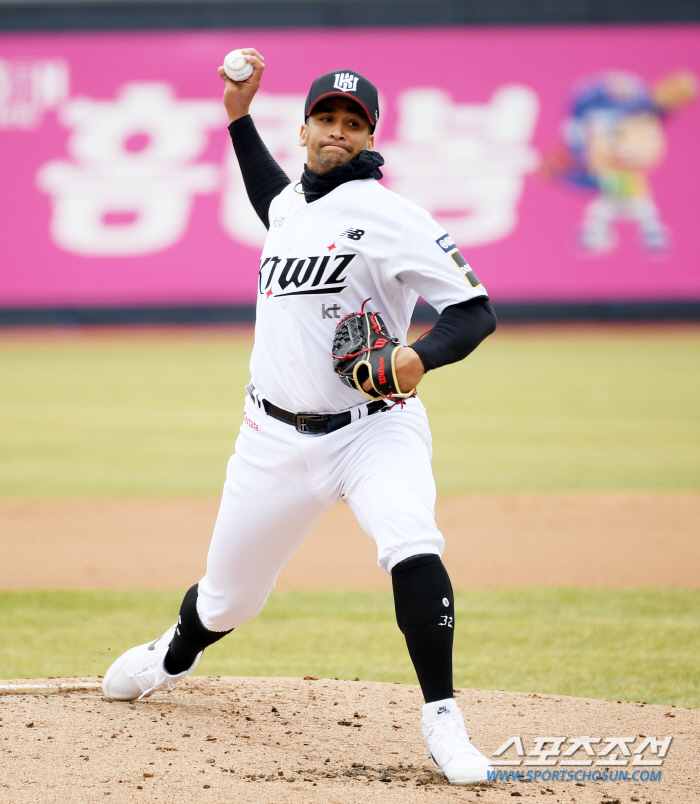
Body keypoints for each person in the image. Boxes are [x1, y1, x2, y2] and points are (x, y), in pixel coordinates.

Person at [103, 48, 497, 786]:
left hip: (373, 428)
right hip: (272, 439)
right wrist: (237, 116)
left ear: (371, 136)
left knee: (410, 537)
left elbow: (475, 311)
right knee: (228, 599)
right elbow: (272, 198)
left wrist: (417, 357)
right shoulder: (291, 206)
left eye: (354, 121)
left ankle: (443, 717)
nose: (337, 131)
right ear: (306, 127)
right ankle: (171, 656)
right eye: (326, 117)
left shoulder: (392, 216)